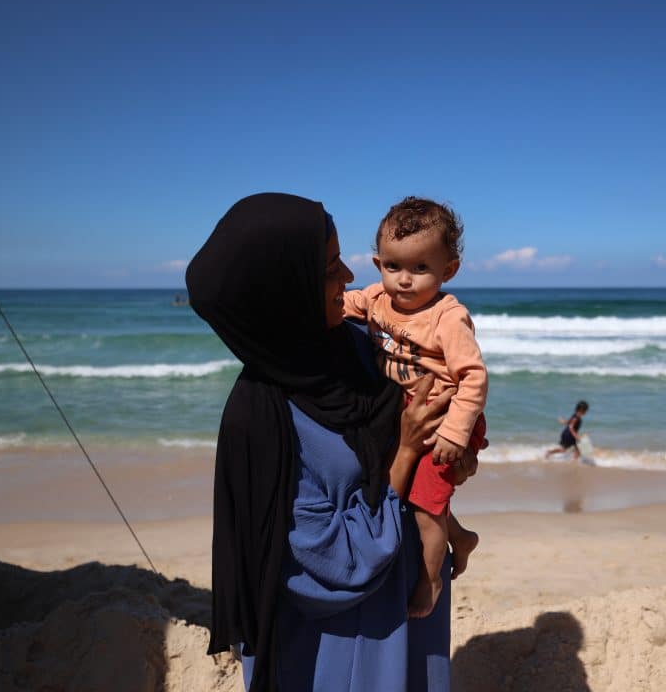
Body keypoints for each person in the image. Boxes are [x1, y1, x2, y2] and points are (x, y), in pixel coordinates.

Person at [186, 193, 476, 692]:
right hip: (343, 635)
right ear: (282, 291)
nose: (347, 276)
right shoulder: (262, 424)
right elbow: (329, 562)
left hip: (409, 600)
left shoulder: (363, 348)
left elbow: (444, 402)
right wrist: (406, 452)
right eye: (327, 268)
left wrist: (458, 451)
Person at [344, 197, 488, 619]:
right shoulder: (375, 299)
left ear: (448, 271)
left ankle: (430, 580)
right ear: (378, 263)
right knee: (410, 491)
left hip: (446, 416)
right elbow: (340, 306)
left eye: (420, 269)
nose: (404, 280)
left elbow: (474, 378)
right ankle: (460, 537)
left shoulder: (447, 316)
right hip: (406, 410)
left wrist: (455, 433)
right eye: (393, 267)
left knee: (425, 505)